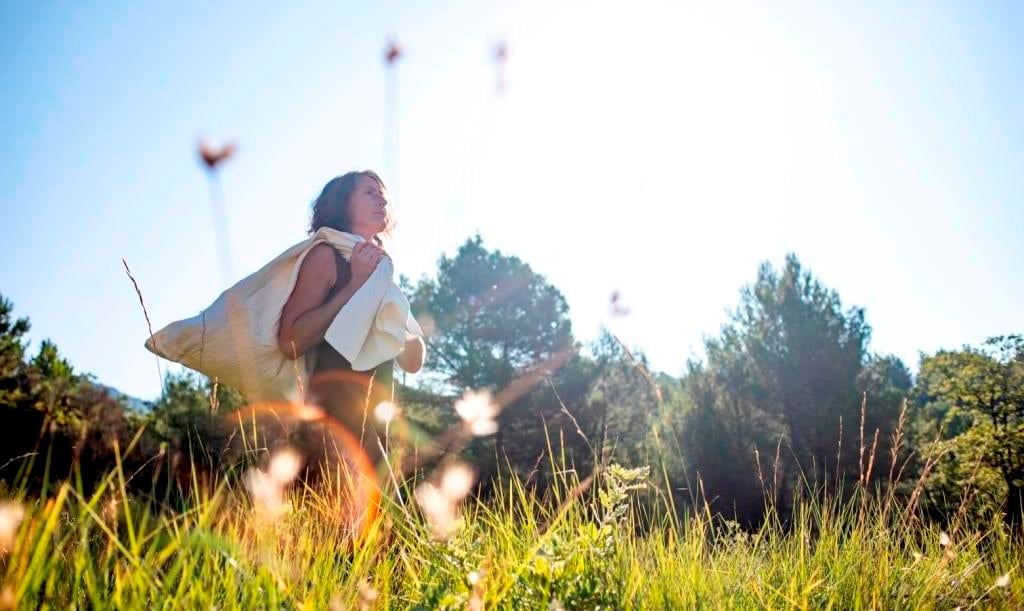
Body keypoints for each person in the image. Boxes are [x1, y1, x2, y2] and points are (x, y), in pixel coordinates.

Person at [277, 170, 424, 473]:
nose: (382, 199)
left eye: (383, 193)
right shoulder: (326, 257)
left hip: (375, 433)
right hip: (330, 431)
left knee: (382, 519)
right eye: (369, 192)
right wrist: (355, 285)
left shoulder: (384, 275)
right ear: (342, 204)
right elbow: (290, 341)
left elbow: (413, 363)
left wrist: (392, 306)